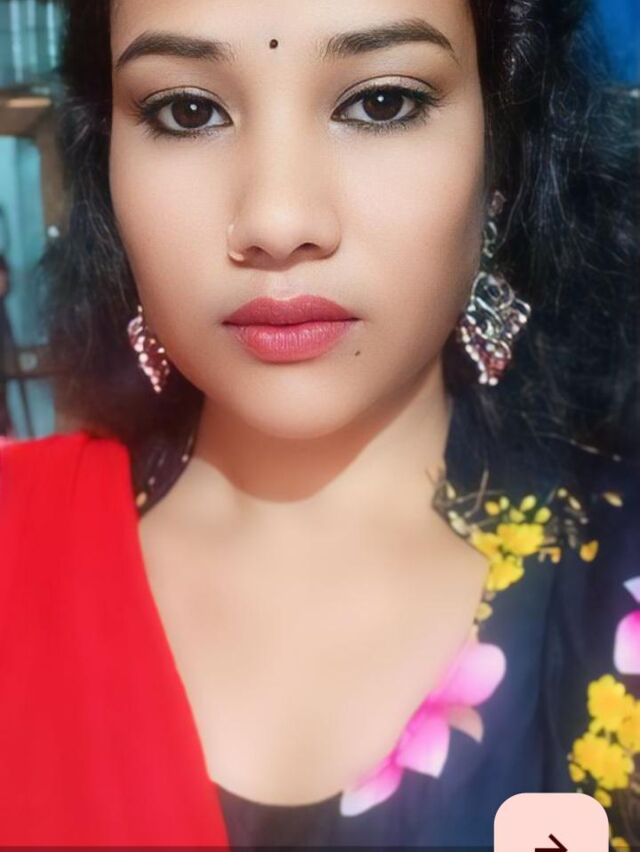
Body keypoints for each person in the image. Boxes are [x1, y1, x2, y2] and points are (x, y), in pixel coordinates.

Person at [0, 0, 638, 847]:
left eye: (381, 102)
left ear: (501, 159)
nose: (278, 221)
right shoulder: (19, 546)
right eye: (187, 111)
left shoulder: (617, 575)